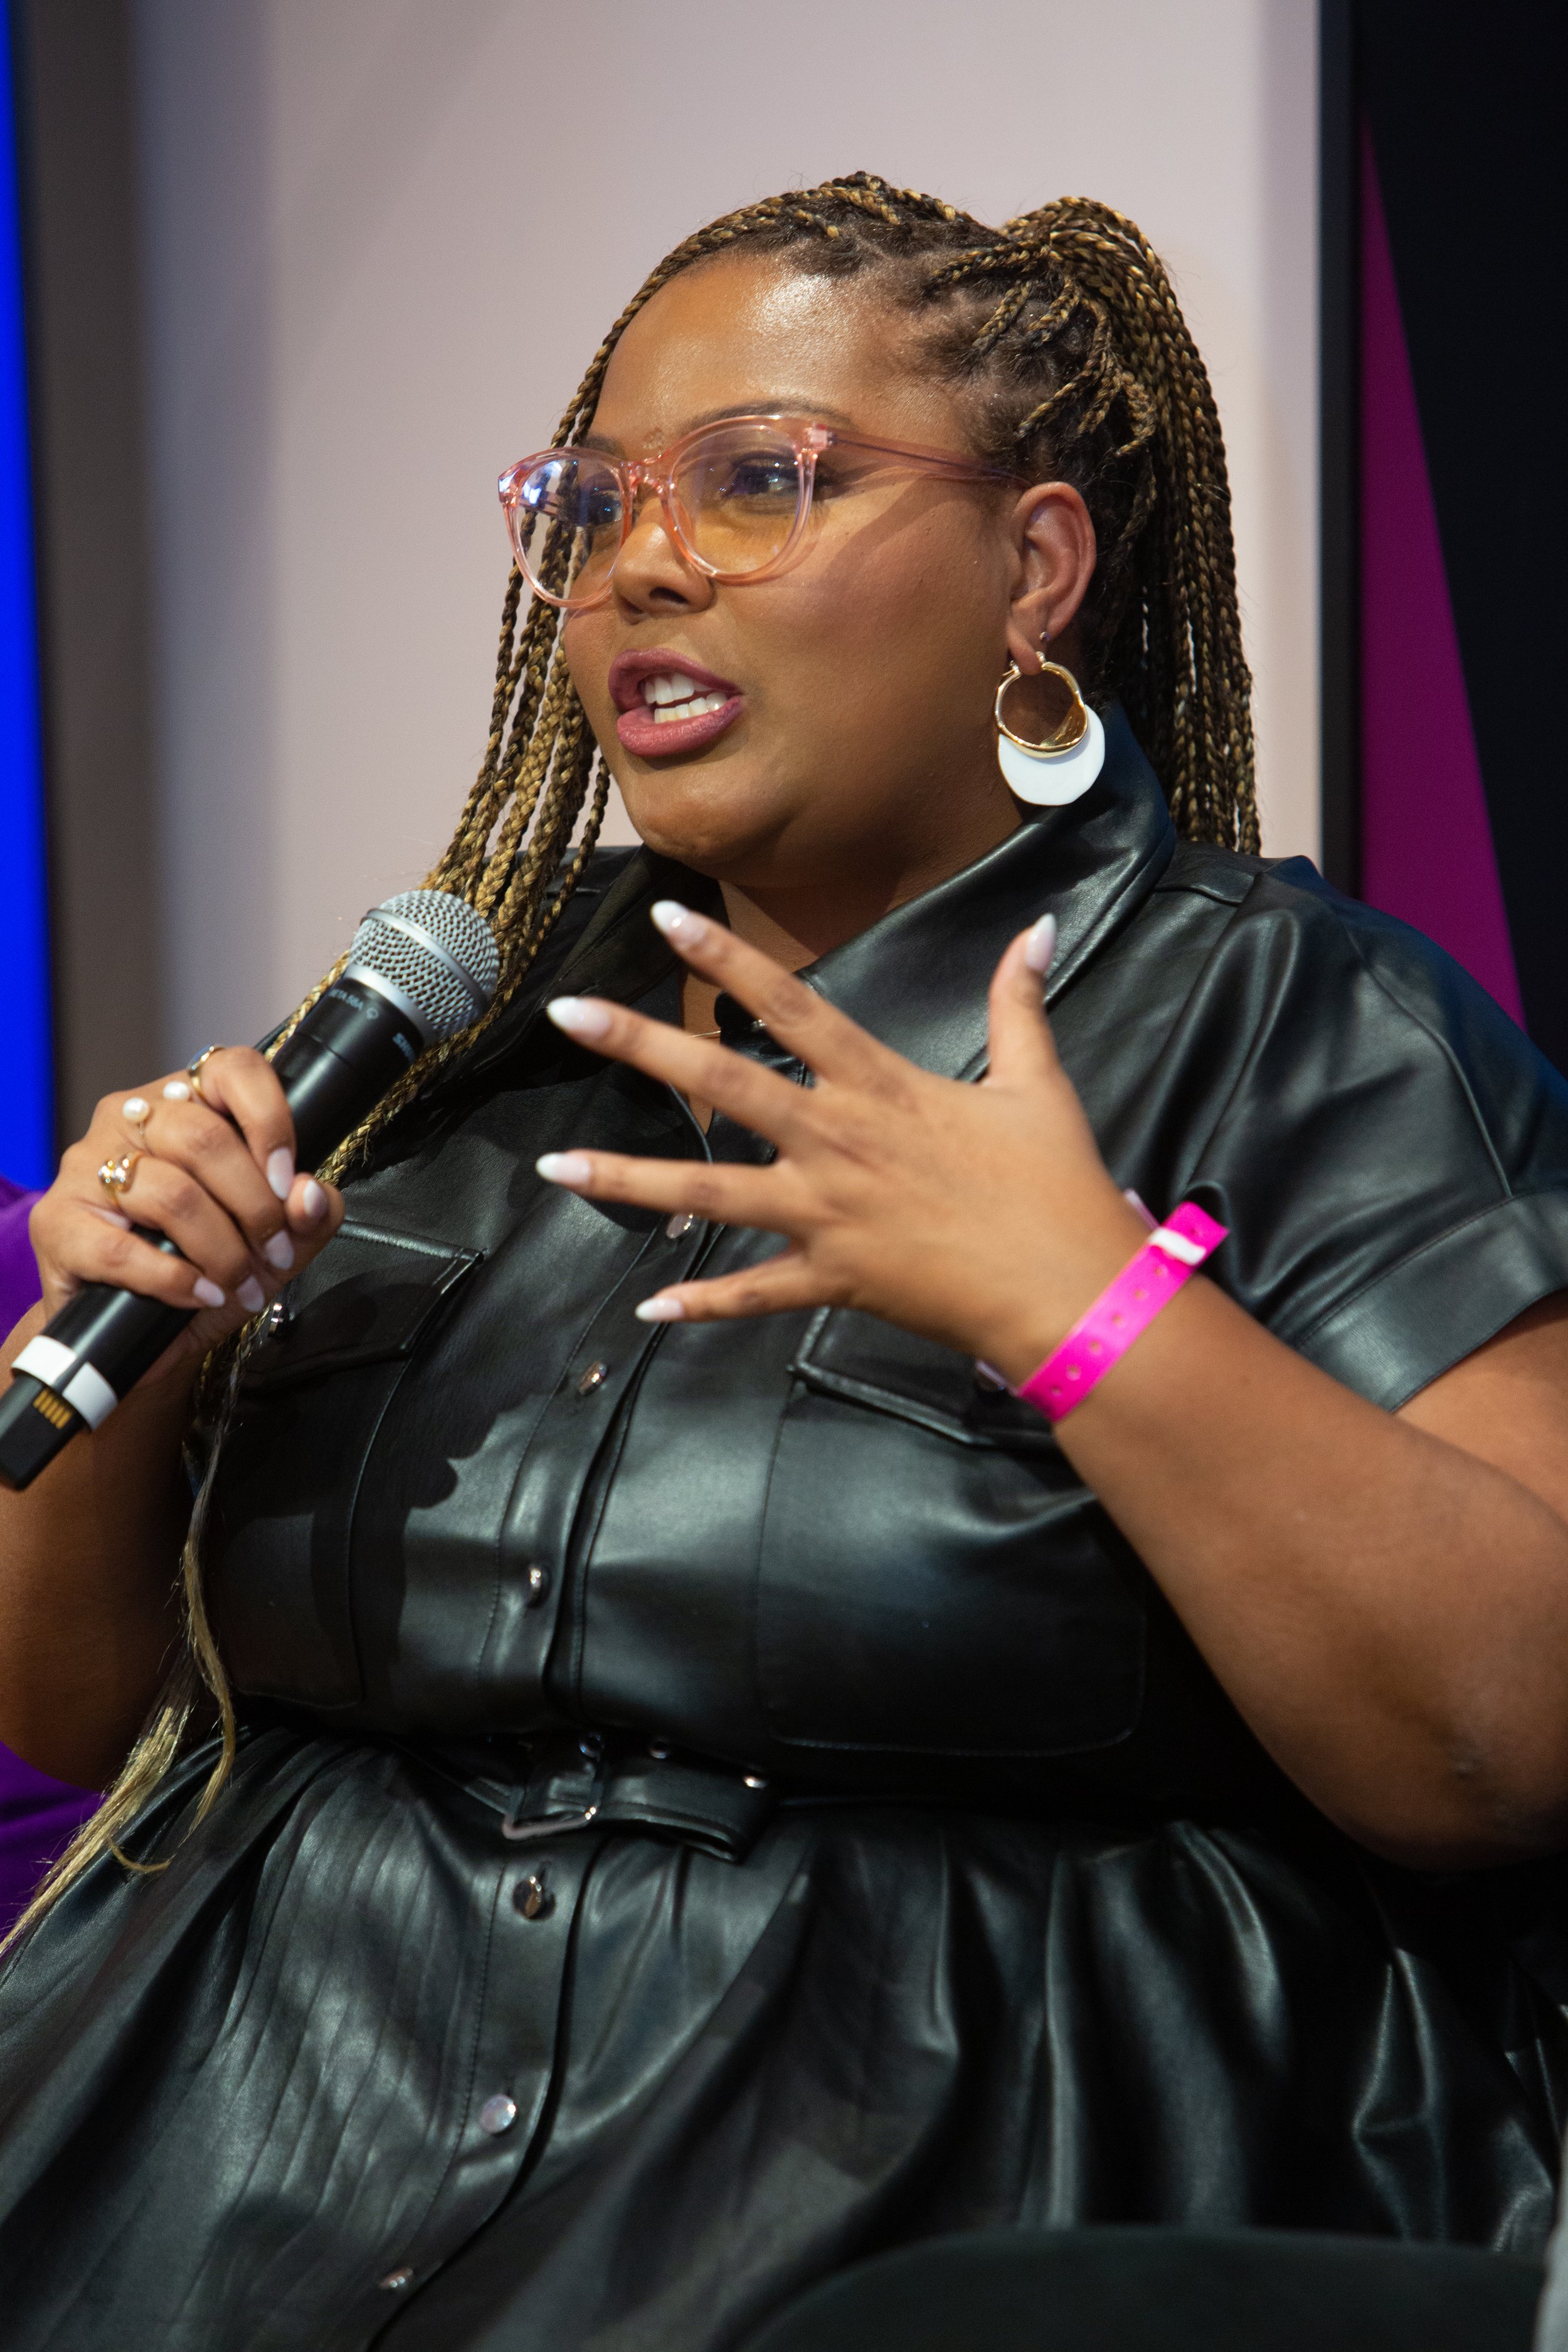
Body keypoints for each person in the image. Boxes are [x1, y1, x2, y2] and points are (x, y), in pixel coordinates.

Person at [1, 176, 1568, 2352]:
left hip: (916, 2208)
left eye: (759, 481)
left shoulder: (1299, 1032)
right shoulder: (443, 1045)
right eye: (591, 499)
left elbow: (1502, 1744)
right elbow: (78, 1716)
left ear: (1034, 569)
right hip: (224, 2168)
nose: (640, 560)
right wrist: (139, 1342)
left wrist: (1078, 1306)